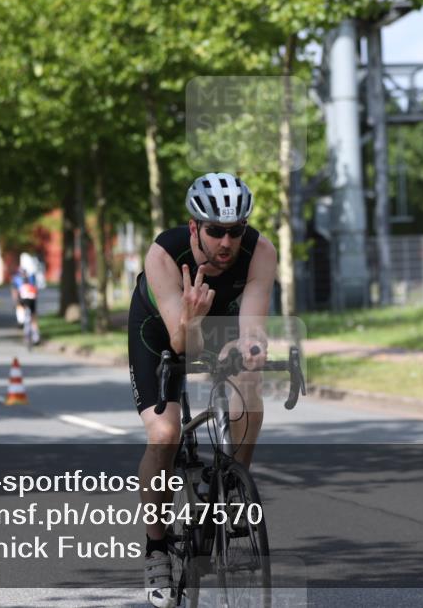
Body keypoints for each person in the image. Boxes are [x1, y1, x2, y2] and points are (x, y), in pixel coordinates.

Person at [127, 172, 276, 608]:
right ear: (194, 227)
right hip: (161, 331)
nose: (227, 242)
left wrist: (251, 347)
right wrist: (190, 319)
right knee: (165, 434)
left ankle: (232, 487)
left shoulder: (260, 252)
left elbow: (252, 326)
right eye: (215, 231)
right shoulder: (163, 255)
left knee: (249, 380)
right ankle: (156, 547)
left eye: (236, 230)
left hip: (217, 325)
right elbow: (181, 343)